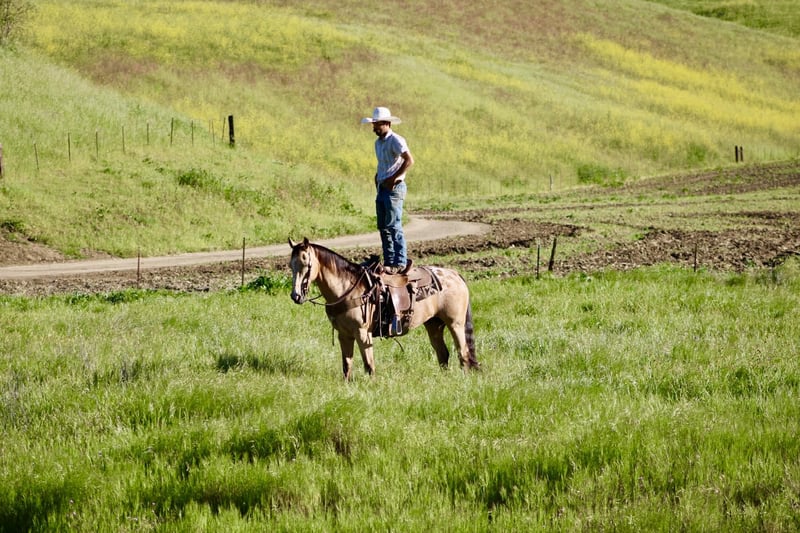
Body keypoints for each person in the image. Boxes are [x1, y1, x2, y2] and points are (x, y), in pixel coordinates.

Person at [361, 107, 414, 274]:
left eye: (377, 125)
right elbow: (384, 163)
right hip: (382, 187)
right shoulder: (378, 143)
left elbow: (409, 160)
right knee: (383, 226)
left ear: (387, 123)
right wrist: (378, 177)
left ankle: (400, 262)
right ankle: (389, 261)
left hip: (394, 187)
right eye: (374, 124)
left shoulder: (396, 140)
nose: (374, 128)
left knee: (393, 225)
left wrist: (393, 178)